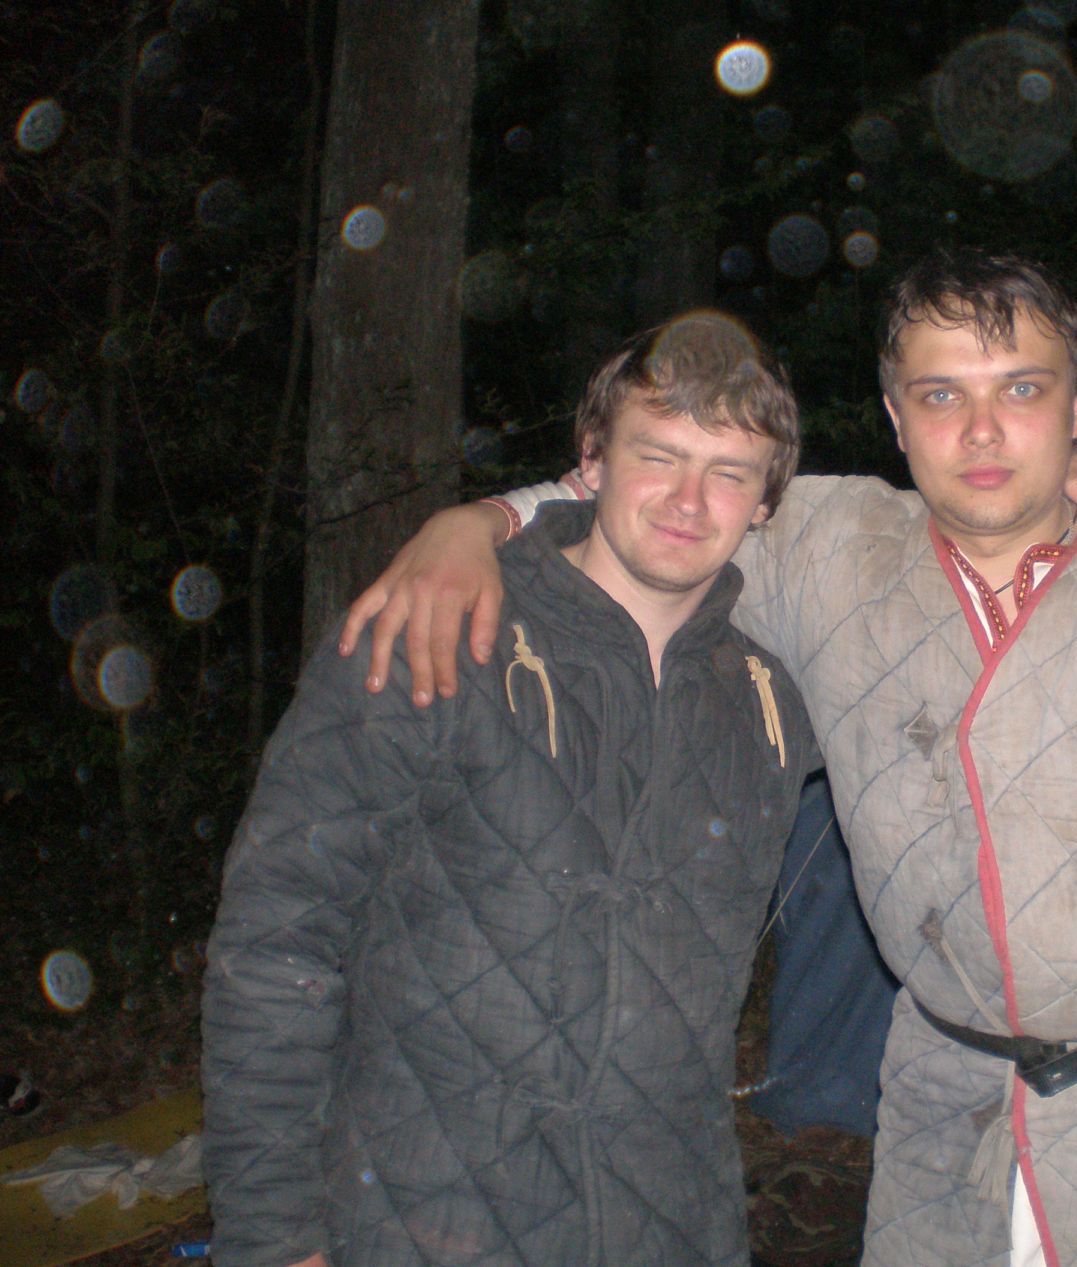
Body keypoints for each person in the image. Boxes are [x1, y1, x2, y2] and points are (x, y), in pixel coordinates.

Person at [341, 248, 1077, 1267]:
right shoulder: (823, 547)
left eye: (1020, 388)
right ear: (892, 415)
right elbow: (635, 494)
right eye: (939, 394)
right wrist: (470, 523)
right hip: (945, 1112)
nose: (979, 430)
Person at [202, 312, 827, 1267]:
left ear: (767, 503)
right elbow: (276, 940)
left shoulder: (768, 707)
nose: (688, 500)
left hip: (673, 1227)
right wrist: (271, 1235)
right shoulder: (432, 634)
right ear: (592, 459)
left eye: (729, 472)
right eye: (657, 454)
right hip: (422, 1222)